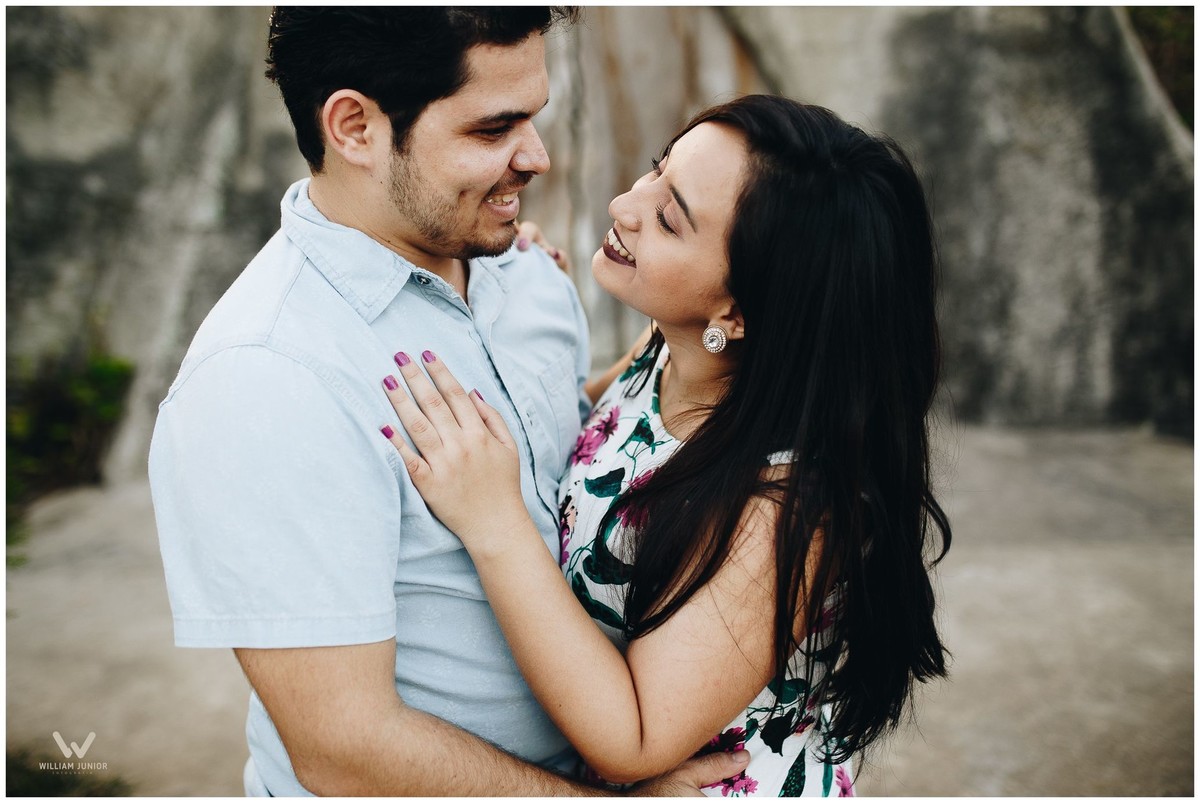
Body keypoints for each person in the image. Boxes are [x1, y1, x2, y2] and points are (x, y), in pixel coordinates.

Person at [149, 7, 747, 796]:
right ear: (355, 127)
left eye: (533, 117)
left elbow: (576, 449)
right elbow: (343, 747)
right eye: (492, 128)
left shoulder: (525, 274)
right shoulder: (268, 374)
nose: (536, 157)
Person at [379, 94, 953, 797]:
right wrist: (519, 304)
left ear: (735, 312)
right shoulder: (672, 351)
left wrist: (493, 522)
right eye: (658, 169)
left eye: (669, 218)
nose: (625, 204)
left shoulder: (787, 508)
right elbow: (597, 432)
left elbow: (634, 737)